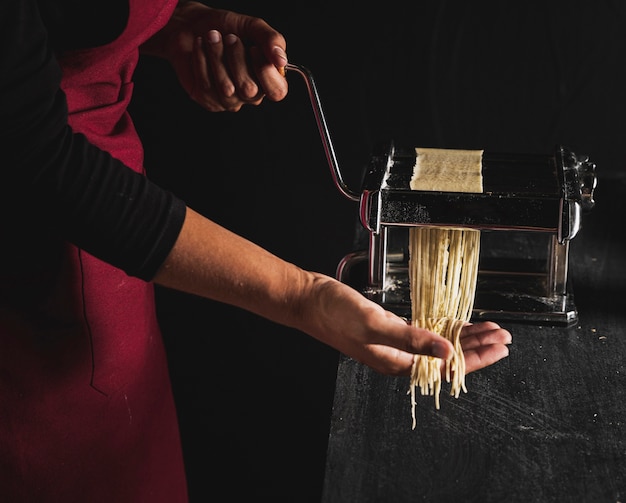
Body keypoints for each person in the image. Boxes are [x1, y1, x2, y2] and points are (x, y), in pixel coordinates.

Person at [0, 0, 512, 501]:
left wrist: (177, 24)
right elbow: (33, 153)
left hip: (115, 259)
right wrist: (304, 296)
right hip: (40, 270)